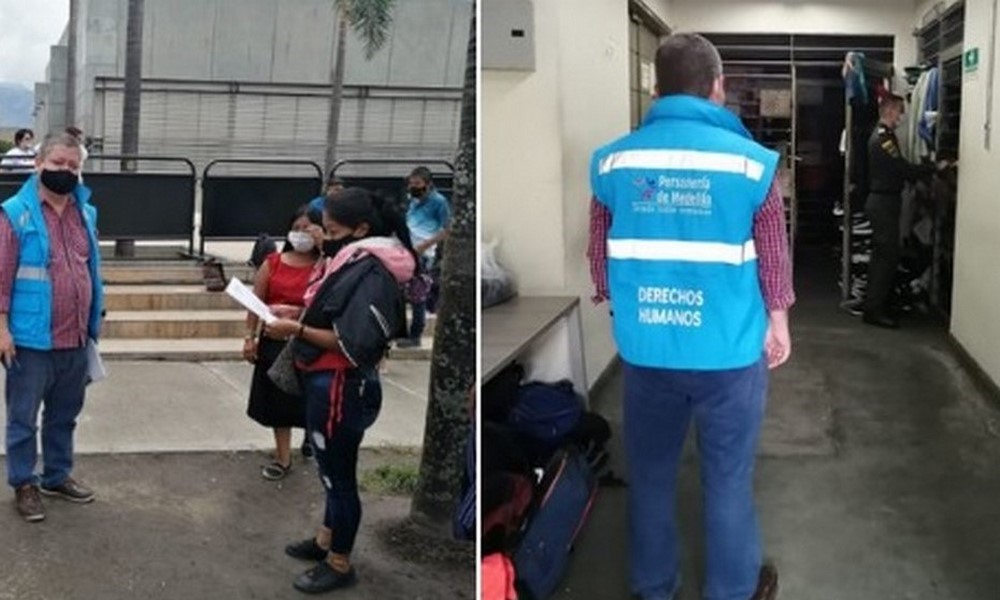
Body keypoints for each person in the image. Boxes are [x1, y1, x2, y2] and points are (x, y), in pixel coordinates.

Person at [588, 33, 794, 600]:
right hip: (729, 353)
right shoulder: (754, 165)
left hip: (647, 352)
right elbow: (774, 258)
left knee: (651, 479)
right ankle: (732, 589)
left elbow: (599, 257)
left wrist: (621, 305)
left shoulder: (615, 161)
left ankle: (654, 587)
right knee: (727, 480)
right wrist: (778, 324)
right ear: (718, 88)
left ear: (656, 87)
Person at [265, 187, 416, 594]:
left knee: (340, 479)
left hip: (340, 386)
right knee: (329, 472)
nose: (321, 238)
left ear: (361, 229)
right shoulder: (351, 261)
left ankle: (339, 561)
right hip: (326, 381)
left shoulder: (369, 271)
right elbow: (334, 313)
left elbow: (353, 342)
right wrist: (297, 312)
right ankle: (325, 539)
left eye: (329, 230)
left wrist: (295, 329)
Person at [0, 132, 104, 523]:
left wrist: (97, 317)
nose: (66, 171)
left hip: (75, 337)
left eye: (73, 166)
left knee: (65, 414)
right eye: (59, 163)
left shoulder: (85, 212)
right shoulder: (14, 213)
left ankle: (56, 475)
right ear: (37, 163)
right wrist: (1, 329)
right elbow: (1, 275)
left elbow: (90, 269)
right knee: (23, 417)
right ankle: (24, 483)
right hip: (29, 340)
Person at [243, 205, 321, 480]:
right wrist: (250, 337)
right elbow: (254, 302)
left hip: (311, 341)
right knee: (278, 400)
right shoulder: (273, 262)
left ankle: (312, 440)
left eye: (308, 228)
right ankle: (283, 457)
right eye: (296, 228)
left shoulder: (326, 265)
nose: (301, 234)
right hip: (274, 341)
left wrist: (298, 316)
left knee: (312, 397)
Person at [863, 94, 939, 329]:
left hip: (884, 201)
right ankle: (874, 310)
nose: (902, 116)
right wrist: (934, 168)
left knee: (883, 257)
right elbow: (901, 168)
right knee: (887, 258)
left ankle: (876, 305)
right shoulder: (883, 138)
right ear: (889, 111)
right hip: (883, 202)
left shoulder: (884, 135)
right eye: (900, 111)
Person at [398, 166, 450, 348]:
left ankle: (415, 335)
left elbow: (447, 229)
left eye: (417, 184)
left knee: (417, 295)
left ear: (428, 184)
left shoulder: (439, 202)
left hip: (425, 252)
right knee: (403, 293)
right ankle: (403, 332)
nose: (413, 187)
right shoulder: (412, 200)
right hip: (408, 249)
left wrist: (425, 245)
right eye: (411, 184)